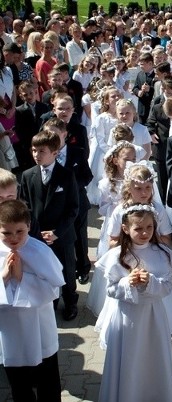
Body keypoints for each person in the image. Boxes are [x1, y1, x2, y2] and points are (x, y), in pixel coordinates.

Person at [95, 204, 172, 402]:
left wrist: (150, 282)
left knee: (153, 357)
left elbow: (167, 288)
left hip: (153, 316)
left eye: (149, 228)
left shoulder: (162, 254)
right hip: (127, 317)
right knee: (129, 358)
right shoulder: (117, 255)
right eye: (138, 228)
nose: (145, 233)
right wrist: (128, 282)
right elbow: (110, 289)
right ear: (126, 229)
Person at [0, 199, 65, 401]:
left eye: (19, 231)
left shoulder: (40, 250)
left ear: (28, 226)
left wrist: (22, 278)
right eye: (6, 232)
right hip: (10, 330)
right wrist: (3, 277)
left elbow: (54, 289)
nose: (14, 238)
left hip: (39, 327)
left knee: (48, 381)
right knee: (19, 385)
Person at [19, 130, 79, 321]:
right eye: (34, 150)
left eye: (42, 151)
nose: (36, 154)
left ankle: (70, 302)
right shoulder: (28, 175)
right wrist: (36, 232)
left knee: (68, 272)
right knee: (43, 271)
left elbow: (73, 209)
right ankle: (49, 303)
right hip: (38, 235)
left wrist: (56, 233)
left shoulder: (67, 176)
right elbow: (25, 205)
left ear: (54, 152)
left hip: (62, 235)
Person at [43, 118, 93, 285]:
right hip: (55, 208)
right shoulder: (44, 154)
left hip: (77, 202)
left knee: (80, 237)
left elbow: (87, 175)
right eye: (47, 133)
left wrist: (71, 186)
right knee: (60, 238)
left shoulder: (77, 152)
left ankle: (83, 268)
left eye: (55, 134)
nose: (51, 137)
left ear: (64, 134)